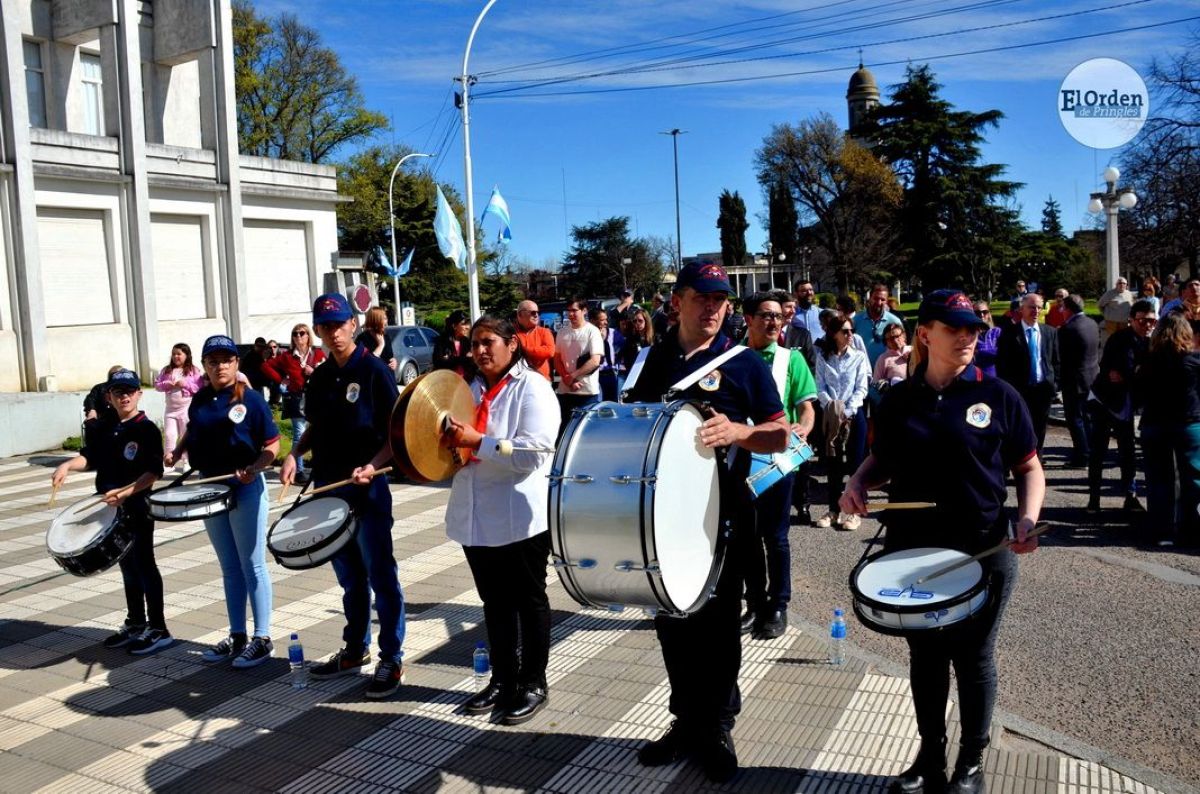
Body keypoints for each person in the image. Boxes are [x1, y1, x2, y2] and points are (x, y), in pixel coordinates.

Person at [839, 289, 1044, 794]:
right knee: (926, 658)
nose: (968, 336)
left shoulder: (998, 395)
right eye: (955, 328)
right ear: (925, 335)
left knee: (973, 657)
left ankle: (970, 764)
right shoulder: (899, 400)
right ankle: (930, 757)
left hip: (983, 548)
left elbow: (1029, 467)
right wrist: (857, 483)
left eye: (972, 327)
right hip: (913, 553)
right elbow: (883, 460)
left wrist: (1029, 519)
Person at [625, 262, 787, 783]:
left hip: (725, 521)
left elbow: (782, 435)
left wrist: (740, 431)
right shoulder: (653, 360)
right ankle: (685, 720)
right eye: (703, 297)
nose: (714, 308)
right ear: (678, 301)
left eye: (721, 300)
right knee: (672, 625)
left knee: (718, 631)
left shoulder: (743, 363)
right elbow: (633, 428)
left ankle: (718, 725)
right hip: (662, 522)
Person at [280, 294, 406, 698]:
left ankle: (391, 656)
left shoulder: (372, 372)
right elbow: (316, 425)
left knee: (381, 574)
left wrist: (373, 464)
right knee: (350, 578)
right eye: (325, 326)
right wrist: (295, 452)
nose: (333, 332)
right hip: (329, 489)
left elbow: (395, 434)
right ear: (317, 331)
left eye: (340, 324)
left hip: (367, 489)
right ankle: (355, 649)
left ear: (354, 325)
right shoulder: (318, 378)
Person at [441, 315, 559, 725]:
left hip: (518, 518)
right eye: (474, 344)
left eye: (489, 342)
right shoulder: (469, 389)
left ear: (513, 344)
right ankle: (503, 679)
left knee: (529, 601)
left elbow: (535, 453)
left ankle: (534, 682)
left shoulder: (533, 388)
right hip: (475, 515)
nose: (480, 350)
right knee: (494, 604)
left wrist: (479, 442)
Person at [164, 335, 280, 668]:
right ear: (204, 366)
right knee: (229, 566)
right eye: (213, 361)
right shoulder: (200, 400)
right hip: (211, 489)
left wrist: (255, 468)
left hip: (245, 488)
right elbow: (194, 428)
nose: (220, 367)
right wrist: (178, 451)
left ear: (236, 363)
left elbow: (272, 446)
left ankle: (262, 637)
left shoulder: (252, 400)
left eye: (226, 360)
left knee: (252, 564)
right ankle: (237, 635)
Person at [53, 370, 169, 654]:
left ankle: (159, 628)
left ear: (139, 394)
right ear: (109, 397)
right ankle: (136, 623)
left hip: (137, 507)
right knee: (127, 567)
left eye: (129, 391)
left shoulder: (146, 429)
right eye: (118, 392)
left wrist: (128, 491)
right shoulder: (105, 427)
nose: (124, 396)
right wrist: (67, 465)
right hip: (110, 510)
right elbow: (89, 457)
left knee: (144, 565)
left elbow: (154, 471)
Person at [738, 292, 816, 640]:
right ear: (748, 319)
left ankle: (778, 603)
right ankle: (754, 602)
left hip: (778, 462)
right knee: (746, 537)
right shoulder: (732, 357)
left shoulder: (791, 359)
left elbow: (807, 407)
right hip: (740, 458)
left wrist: (805, 425)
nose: (773, 322)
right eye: (765, 315)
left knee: (776, 536)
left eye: (778, 317)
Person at [1135, 313, 1200, 547]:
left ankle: (1161, 529)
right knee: (1192, 479)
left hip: (1155, 424)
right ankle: (1191, 528)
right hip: (1188, 423)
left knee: (1159, 480)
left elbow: (1137, 395)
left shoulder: (1148, 364)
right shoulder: (1194, 362)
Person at [1087, 299, 1154, 513]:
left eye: (1151, 321)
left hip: (1125, 404)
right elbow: (1121, 371)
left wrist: (1136, 374)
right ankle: (1094, 498)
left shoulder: (1149, 343)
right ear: (1131, 320)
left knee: (1128, 452)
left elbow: (1134, 376)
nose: (1148, 325)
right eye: (1142, 321)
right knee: (1099, 450)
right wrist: (1136, 373)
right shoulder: (1121, 339)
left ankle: (1130, 496)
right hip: (1104, 402)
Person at [814, 311, 870, 530]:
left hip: (854, 415)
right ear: (834, 333)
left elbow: (862, 387)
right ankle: (834, 509)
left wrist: (848, 410)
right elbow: (820, 387)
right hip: (831, 416)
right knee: (833, 464)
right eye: (845, 331)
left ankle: (854, 512)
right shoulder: (823, 357)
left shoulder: (858, 356)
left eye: (851, 331)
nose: (850, 335)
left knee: (856, 466)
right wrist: (832, 408)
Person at [262, 324, 325, 484]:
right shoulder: (287, 356)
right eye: (295, 334)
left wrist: (315, 371)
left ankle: (319, 465)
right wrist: (281, 379)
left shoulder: (317, 353)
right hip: (296, 398)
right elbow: (266, 366)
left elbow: (328, 369)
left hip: (316, 397)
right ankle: (299, 470)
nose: (298, 337)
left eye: (302, 333)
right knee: (299, 433)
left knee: (318, 431)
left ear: (308, 336)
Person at [996, 293, 1059, 453]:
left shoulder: (1049, 332)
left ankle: (1037, 463)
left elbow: (1056, 361)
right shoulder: (1009, 333)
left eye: (1039, 307)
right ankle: (1016, 463)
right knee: (1017, 429)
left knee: (1040, 430)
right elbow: (1002, 365)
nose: (1036, 311)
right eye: (1032, 307)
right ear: (1021, 309)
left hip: (1043, 390)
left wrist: (1055, 383)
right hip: (1020, 391)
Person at [1056, 295, 1100, 468]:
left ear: (1068, 309)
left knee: (1075, 419)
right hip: (1092, 377)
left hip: (1074, 380)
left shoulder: (1068, 329)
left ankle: (1082, 455)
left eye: (1062, 308)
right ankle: (1091, 451)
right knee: (1088, 418)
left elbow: (1062, 357)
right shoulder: (1092, 323)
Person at [552, 297, 603, 430]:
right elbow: (557, 359)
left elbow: (595, 361)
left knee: (586, 431)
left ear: (584, 311)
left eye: (574, 310)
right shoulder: (562, 332)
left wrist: (573, 376)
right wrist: (566, 378)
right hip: (565, 391)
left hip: (587, 393)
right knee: (563, 431)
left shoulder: (593, 331)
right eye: (568, 311)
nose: (570, 314)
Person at [154, 344, 203, 472]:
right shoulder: (167, 370)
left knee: (184, 434)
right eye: (174, 354)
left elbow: (199, 387)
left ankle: (187, 460)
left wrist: (185, 384)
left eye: (179, 354)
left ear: (187, 355)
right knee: (169, 434)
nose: (176, 356)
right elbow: (157, 385)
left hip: (185, 408)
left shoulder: (193, 370)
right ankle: (169, 461)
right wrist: (167, 384)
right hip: (170, 410)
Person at [854, 283, 903, 369]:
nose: (879, 302)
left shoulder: (894, 321)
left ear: (887, 301)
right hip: (863, 372)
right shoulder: (856, 320)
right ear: (870, 299)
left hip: (887, 372)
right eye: (875, 298)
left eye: (882, 299)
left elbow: (902, 346)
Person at [514, 300, 555, 380]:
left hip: (541, 380)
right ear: (520, 314)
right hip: (518, 381)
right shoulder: (510, 333)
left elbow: (549, 352)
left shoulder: (544, 332)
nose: (536, 315)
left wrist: (524, 349)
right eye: (533, 312)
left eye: (537, 312)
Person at [590, 307, 625, 402]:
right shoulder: (588, 335)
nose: (606, 322)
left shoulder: (613, 333)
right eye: (602, 320)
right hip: (595, 374)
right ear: (593, 321)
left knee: (612, 402)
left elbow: (625, 347)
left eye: (606, 319)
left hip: (610, 374)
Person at [433, 310, 475, 379]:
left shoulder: (467, 342)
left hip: (465, 382)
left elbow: (472, 363)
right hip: (447, 381)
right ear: (454, 326)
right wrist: (463, 359)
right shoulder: (443, 342)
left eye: (468, 324)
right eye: (463, 324)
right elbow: (439, 362)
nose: (467, 327)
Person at [356, 306, 397, 373]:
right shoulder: (362, 339)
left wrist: (394, 361)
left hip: (387, 377)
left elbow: (390, 357)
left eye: (386, 319)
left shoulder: (386, 336)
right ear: (376, 320)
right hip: (372, 380)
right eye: (383, 319)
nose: (386, 323)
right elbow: (368, 363)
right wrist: (381, 345)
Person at [872, 322, 911, 389]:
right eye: (890, 339)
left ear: (904, 336)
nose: (895, 341)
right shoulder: (883, 359)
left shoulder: (915, 351)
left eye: (897, 336)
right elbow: (875, 383)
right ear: (886, 342)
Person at [1098, 276, 1134, 345]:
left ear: (1126, 285)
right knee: (1112, 341)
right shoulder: (1109, 293)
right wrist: (1105, 315)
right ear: (1116, 284)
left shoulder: (1129, 294)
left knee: (1123, 342)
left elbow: (1132, 306)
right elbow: (1100, 305)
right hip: (1112, 323)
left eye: (1124, 283)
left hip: (1124, 323)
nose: (1122, 285)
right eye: (1120, 283)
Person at [618, 306, 655, 373]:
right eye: (635, 321)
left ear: (646, 321)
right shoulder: (631, 339)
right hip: (635, 373)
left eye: (640, 321)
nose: (637, 323)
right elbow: (624, 356)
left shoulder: (655, 338)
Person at [972, 301, 1002, 378]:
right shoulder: (970, 334)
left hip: (996, 376)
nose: (981, 315)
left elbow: (1004, 355)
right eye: (977, 313)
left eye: (984, 312)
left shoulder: (997, 332)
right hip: (976, 377)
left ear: (988, 314)